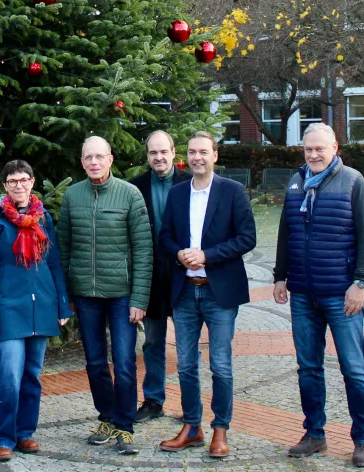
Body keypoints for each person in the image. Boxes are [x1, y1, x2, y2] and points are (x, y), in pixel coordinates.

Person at [273, 123, 364, 469]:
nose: (314, 155)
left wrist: (360, 283)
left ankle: (363, 439)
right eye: (308, 149)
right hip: (303, 293)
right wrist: (280, 276)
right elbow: (285, 233)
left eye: (320, 149)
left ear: (335, 147)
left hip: (341, 294)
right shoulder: (296, 183)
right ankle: (315, 433)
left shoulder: (353, 181)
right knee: (308, 368)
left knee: (354, 369)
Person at [157, 131, 256, 459]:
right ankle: (191, 426)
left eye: (203, 152)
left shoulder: (232, 192)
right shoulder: (177, 193)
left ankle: (220, 429)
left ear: (215, 155)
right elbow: (165, 237)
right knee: (185, 365)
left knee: (221, 366)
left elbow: (247, 238)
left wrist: (208, 256)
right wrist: (179, 254)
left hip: (219, 293)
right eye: (192, 152)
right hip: (185, 291)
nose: (197, 157)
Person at [57, 135, 152, 456]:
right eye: (88, 157)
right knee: (95, 362)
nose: (94, 162)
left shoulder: (130, 194)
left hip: (122, 295)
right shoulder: (72, 196)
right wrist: (67, 293)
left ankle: (125, 426)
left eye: (100, 156)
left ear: (110, 159)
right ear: (82, 162)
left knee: (124, 362)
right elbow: (64, 248)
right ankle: (107, 416)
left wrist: (140, 298)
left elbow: (143, 250)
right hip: (85, 295)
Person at [0, 159, 72, 462]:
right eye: (13, 181)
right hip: (8, 310)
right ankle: (2, 436)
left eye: (24, 179)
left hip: (41, 307)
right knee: (7, 375)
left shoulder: (44, 219)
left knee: (31, 375)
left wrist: (62, 303)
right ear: (5, 185)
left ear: (32, 182)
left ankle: (25, 433)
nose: (19, 185)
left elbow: (53, 264)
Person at [129, 130, 190, 423]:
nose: (159, 158)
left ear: (174, 152)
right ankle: (153, 399)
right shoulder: (135, 187)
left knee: (187, 343)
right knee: (153, 342)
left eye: (163, 152)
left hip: (184, 276)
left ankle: (192, 405)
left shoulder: (190, 183)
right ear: (147, 156)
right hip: (150, 276)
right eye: (153, 153)